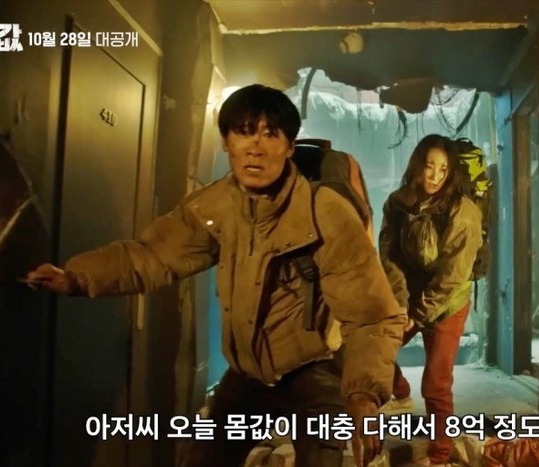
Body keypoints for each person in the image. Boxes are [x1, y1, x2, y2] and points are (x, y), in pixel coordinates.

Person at [26, 84, 406, 467]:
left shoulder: (325, 212)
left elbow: (372, 315)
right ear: (226, 142)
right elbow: (152, 255)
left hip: (316, 368)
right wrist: (76, 276)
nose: (255, 147)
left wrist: (363, 395)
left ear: (289, 146)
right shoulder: (215, 206)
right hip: (247, 373)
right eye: (244, 132)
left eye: (270, 134)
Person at [377, 134, 484, 466]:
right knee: (376, 350)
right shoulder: (398, 202)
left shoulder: (463, 212)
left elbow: (453, 276)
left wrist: (420, 314)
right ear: (417, 166)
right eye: (429, 166)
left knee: (436, 382)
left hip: (448, 302)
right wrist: (400, 302)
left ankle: (439, 456)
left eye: (443, 169)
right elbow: (389, 256)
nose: (435, 176)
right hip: (409, 295)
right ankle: (400, 395)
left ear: (451, 172)